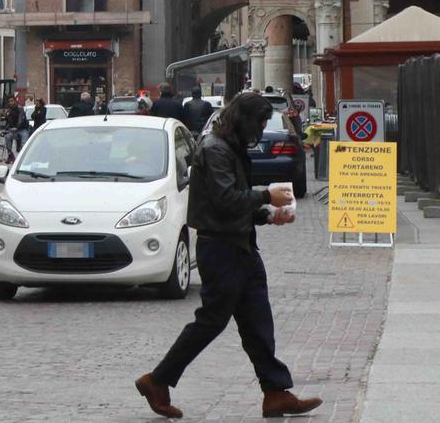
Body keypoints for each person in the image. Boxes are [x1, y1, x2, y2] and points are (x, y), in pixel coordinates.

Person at [135, 93, 322, 420]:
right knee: (212, 320)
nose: (263, 130)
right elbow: (224, 200)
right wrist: (267, 195)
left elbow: (230, 203)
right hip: (221, 249)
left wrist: (266, 215)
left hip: (239, 245)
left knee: (257, 319)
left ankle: (276, 392)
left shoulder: (228, 147)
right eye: (260, 123)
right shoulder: (215, 149)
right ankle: (158, 380)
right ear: (244, 120)